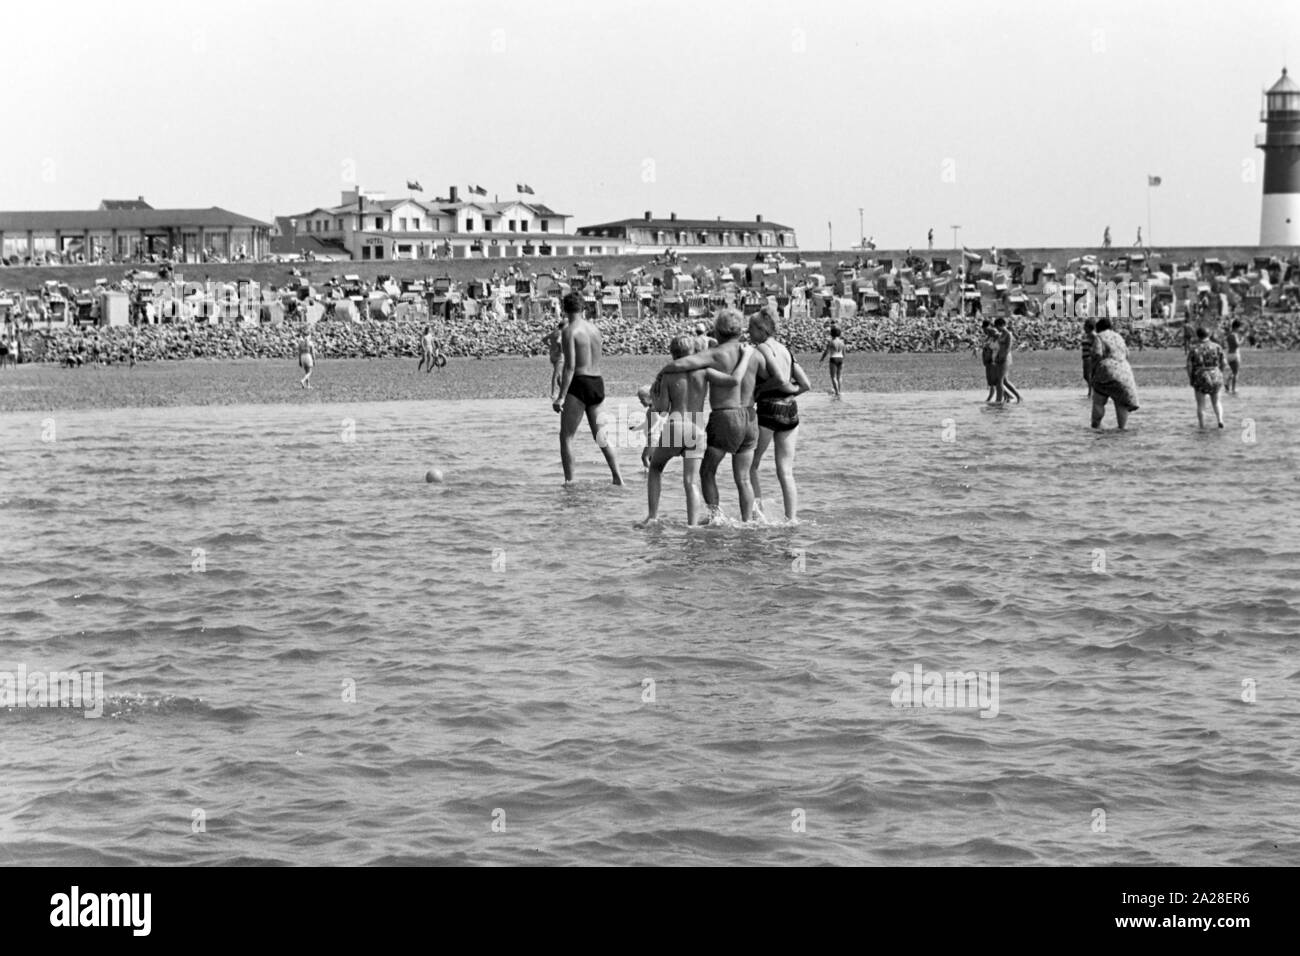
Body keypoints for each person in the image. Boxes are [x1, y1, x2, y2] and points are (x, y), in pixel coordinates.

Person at [657, 309, 758, 522]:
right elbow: (775, 380)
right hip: (750, 416)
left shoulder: (715, 354)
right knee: (744, 478)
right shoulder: (755, 354)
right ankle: (748, 522)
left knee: (706, 471)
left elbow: (682, 363)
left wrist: (662, 372)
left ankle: (714, 517)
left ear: (718, 331)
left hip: (726, 417)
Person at [639, 335, 740, 525]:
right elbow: (733, 381)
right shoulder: (704, 371)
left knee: (655, 468)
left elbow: (661, 409)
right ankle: (693, 526)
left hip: (676, 424)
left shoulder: (668, 375)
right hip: (697, 427)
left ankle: (652, 517)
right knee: (691, 482)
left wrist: (654, 393)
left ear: (672, 353)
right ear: (693, 353)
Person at [747, 308, 811, 522]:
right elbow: (805, 385)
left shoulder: (763, 348)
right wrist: (791, 393)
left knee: (751, 465)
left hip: (769, 410)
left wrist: (760, 391)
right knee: (785, 471)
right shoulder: (785, 350)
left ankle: (759, 516)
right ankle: (791, 519)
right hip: (790, 411)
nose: (748, 333)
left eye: (751, 329)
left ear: (761, 329)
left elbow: (781, 379)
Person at [553, 291, 622, 485]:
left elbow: (570, 366)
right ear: (583, 308)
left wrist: (561, 397)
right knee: (601, 436)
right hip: (597, 382)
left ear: (565, 309)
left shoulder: (569, 331)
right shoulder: (594, 330)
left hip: (580, 382)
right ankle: (618, 477)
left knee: (566, 436)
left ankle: (570, 482)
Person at [1089, 316, 1139, 429]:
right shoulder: (1119, 337)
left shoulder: (1099, 337)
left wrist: (1093, 371)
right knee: (1121, 402)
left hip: (1106, 370)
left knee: (1099, 401)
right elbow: (1127, 354)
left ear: (1099, 328)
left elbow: (1097, 354)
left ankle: (1096, 426)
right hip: (1124, 371)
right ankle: (1122, 428)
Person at [1186, 326, 1227, 429]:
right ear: (1209, 335)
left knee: (1201, 404)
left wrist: (1191, 378)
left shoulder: (1194, 349)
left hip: (1200, 376)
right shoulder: (1217, 347)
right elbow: (1224, 363)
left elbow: (1189, 366)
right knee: (1217, 402)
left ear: (1198, 335)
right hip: (1215, 374)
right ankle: (1220, 420)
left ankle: (1202, 426)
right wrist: (1220, 372)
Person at [992, 317, 1021, 403]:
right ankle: (1019, 397)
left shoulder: (1008, 334)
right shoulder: (1001, 334)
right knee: (1004, 380)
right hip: (1000, 357)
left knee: (999, 381)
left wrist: (1002, 357)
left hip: (1005, 358)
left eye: (997, 327)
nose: (996, 329)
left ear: (1001, 325)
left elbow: (1008, 348)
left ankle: (998, 400)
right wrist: (997, 357)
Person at [819, 325, 845, 397]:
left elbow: (826, 352)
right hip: (841, 358)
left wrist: (822, 359)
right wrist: (843, 360)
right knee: (839, 376)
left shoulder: (831, 342)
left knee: (833, 376)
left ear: (831, 334)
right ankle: (839, 390)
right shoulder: (842, 342)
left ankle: (837, 392)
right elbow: (844, 353)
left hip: (833, 358)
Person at [543, 320, 564, 399]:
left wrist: (550, 346)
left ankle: (563, 391)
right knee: (556, 375)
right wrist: (561, 350)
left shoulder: (554, 332)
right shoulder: (561, 333)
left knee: (558, 375)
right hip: (559, 355)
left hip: (552, 355)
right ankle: (553, 393)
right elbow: (559, 341)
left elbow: (544, 339)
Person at [979, 321, 998, 402]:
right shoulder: (988, 337)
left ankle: (1006, 396)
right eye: (984, 329)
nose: (985, 331)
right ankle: (990, 398)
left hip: (992, 361)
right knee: (990, 381)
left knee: (994, 381)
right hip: (988, 361)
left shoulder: (995, 335)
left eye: (986, 329)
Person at [1225, 319, 1243, 394]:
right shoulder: (1234, 335)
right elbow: (1237, 345)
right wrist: (1242, 340)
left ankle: (1227, 383)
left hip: (1229, 354)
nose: (1240, 329)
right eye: (1239, 327)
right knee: (1236, 373)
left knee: (1233, 371)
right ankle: (1234, 389)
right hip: (1235, 354)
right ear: (1236, 327)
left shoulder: (1229, 335)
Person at [1081, 318, 1097, 397]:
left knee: (1089, 375)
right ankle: (1091, 391)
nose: (1083, 328)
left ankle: (1091, 392)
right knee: (1086, 376)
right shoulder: (1088, 335)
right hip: (1085, 357)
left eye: (1085, 326)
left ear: (1088, 327)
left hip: (1089, 358)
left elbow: (1097, 345)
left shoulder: (1093, 335)